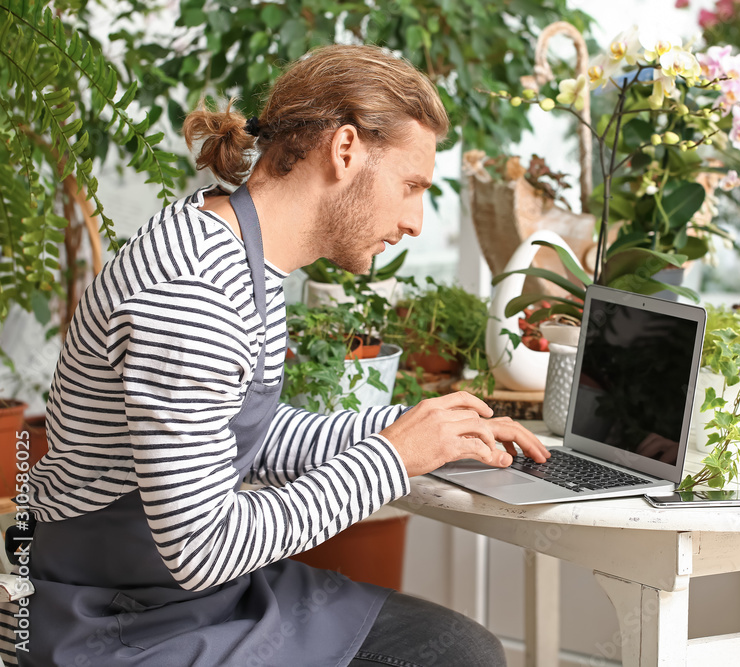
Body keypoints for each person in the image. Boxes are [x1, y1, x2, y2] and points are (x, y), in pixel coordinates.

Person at [19, 44, 549, 666]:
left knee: (459, 647)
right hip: (117, 616)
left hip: (181, 596)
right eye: (411, 186)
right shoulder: (194, 295)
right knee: (456, 657)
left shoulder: (241, 252)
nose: (415, 221)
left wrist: (417, 433)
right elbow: (201, 548)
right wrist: (393, 457)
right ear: (344, 149)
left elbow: (246, 433)